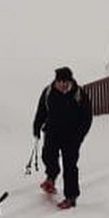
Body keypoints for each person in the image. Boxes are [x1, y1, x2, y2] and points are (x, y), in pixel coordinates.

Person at [32, 66, 93, 209]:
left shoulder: (79, 94)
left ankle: (71, 197)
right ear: (56, 81)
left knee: (70, 166)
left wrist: (79, 136)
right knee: (48, 156)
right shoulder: (48, 92)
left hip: (72, 136)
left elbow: (87, 117)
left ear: (70, 81)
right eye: (60, 81)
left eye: (65, 81)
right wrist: (36, 127)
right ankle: (51, 178)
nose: (63, 85)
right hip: (52, 132)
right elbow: (41, 111)